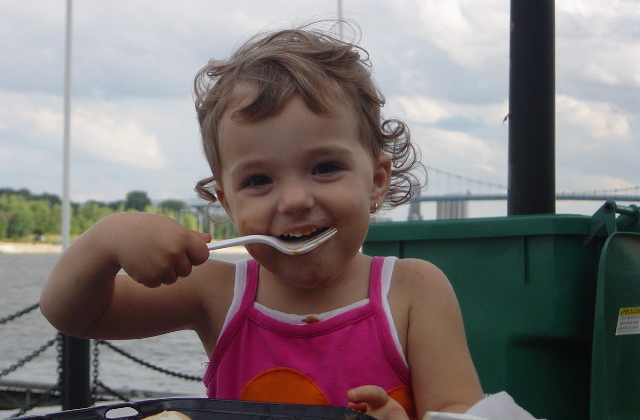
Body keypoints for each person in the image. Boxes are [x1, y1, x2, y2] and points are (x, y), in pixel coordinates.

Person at [40, 22, 483, 420]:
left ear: (376, 182)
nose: (293, 200)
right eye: (258, 179)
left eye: (325, 167)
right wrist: (107, 239)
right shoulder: (215, 292)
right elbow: (74, 314)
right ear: (228, 205)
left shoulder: (413, 290)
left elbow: (457, 409)